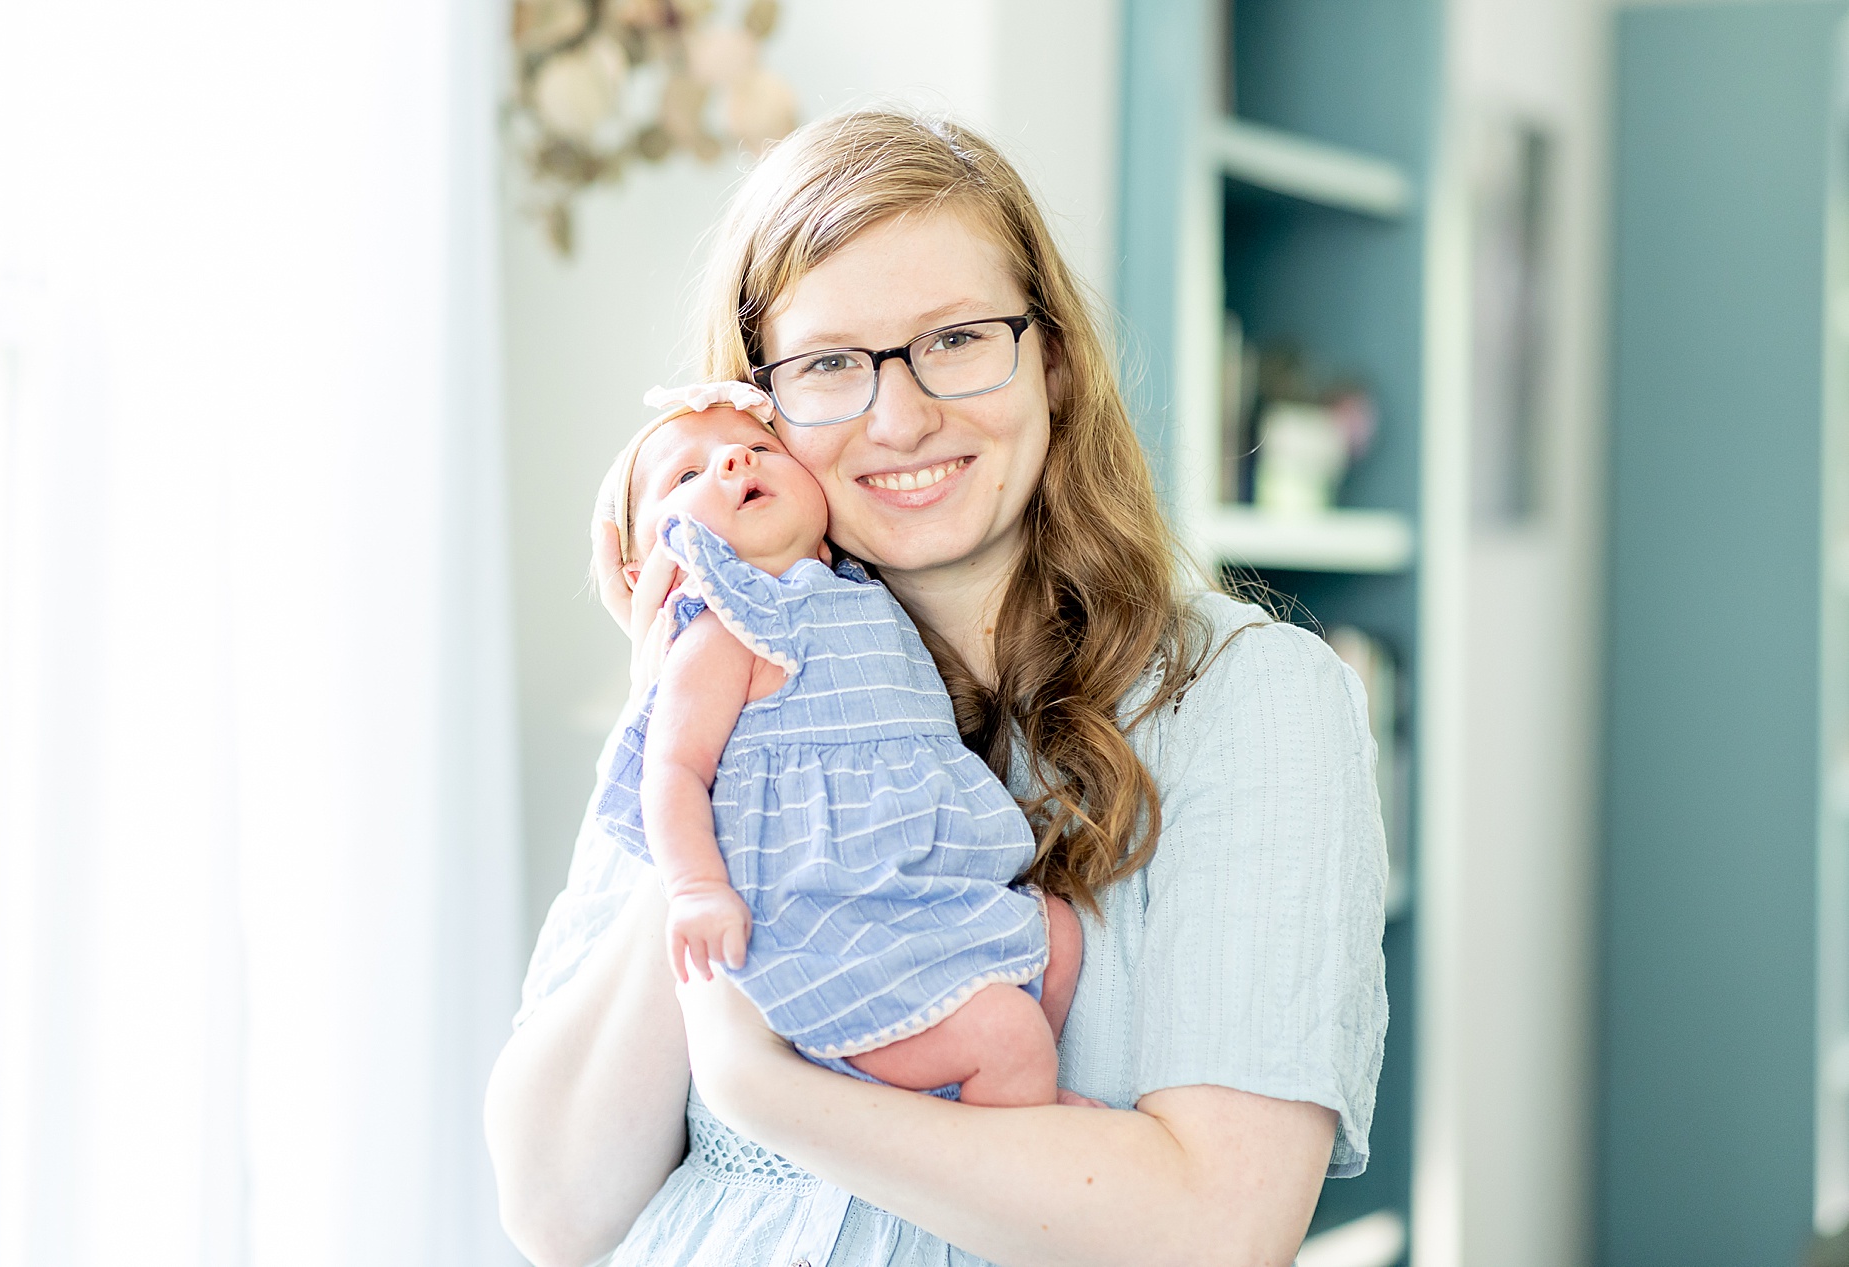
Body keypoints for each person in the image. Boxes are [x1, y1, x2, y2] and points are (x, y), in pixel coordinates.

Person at [485, 110, 1388, 1267]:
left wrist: (767, 1092)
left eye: (957, 339)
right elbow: (555, 1208)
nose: (900, 414)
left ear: (1051, 358)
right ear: (751, 412)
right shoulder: (701, 694)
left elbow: (1212, 1228)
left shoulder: (1248, 701)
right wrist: (709, 750)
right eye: (827, 364)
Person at [595, 385, 1083, 1106]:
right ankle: (1009, 1100)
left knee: (1060, 936)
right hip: (831, 915)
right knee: (1005, 1029)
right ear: (650, 573)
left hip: (918, 885)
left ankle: (997, 1092)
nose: (734, 460)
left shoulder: (859, 593)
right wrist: (696, 887)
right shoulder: (721, 632)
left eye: (760, 449)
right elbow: (673, 770)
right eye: (688, 476)